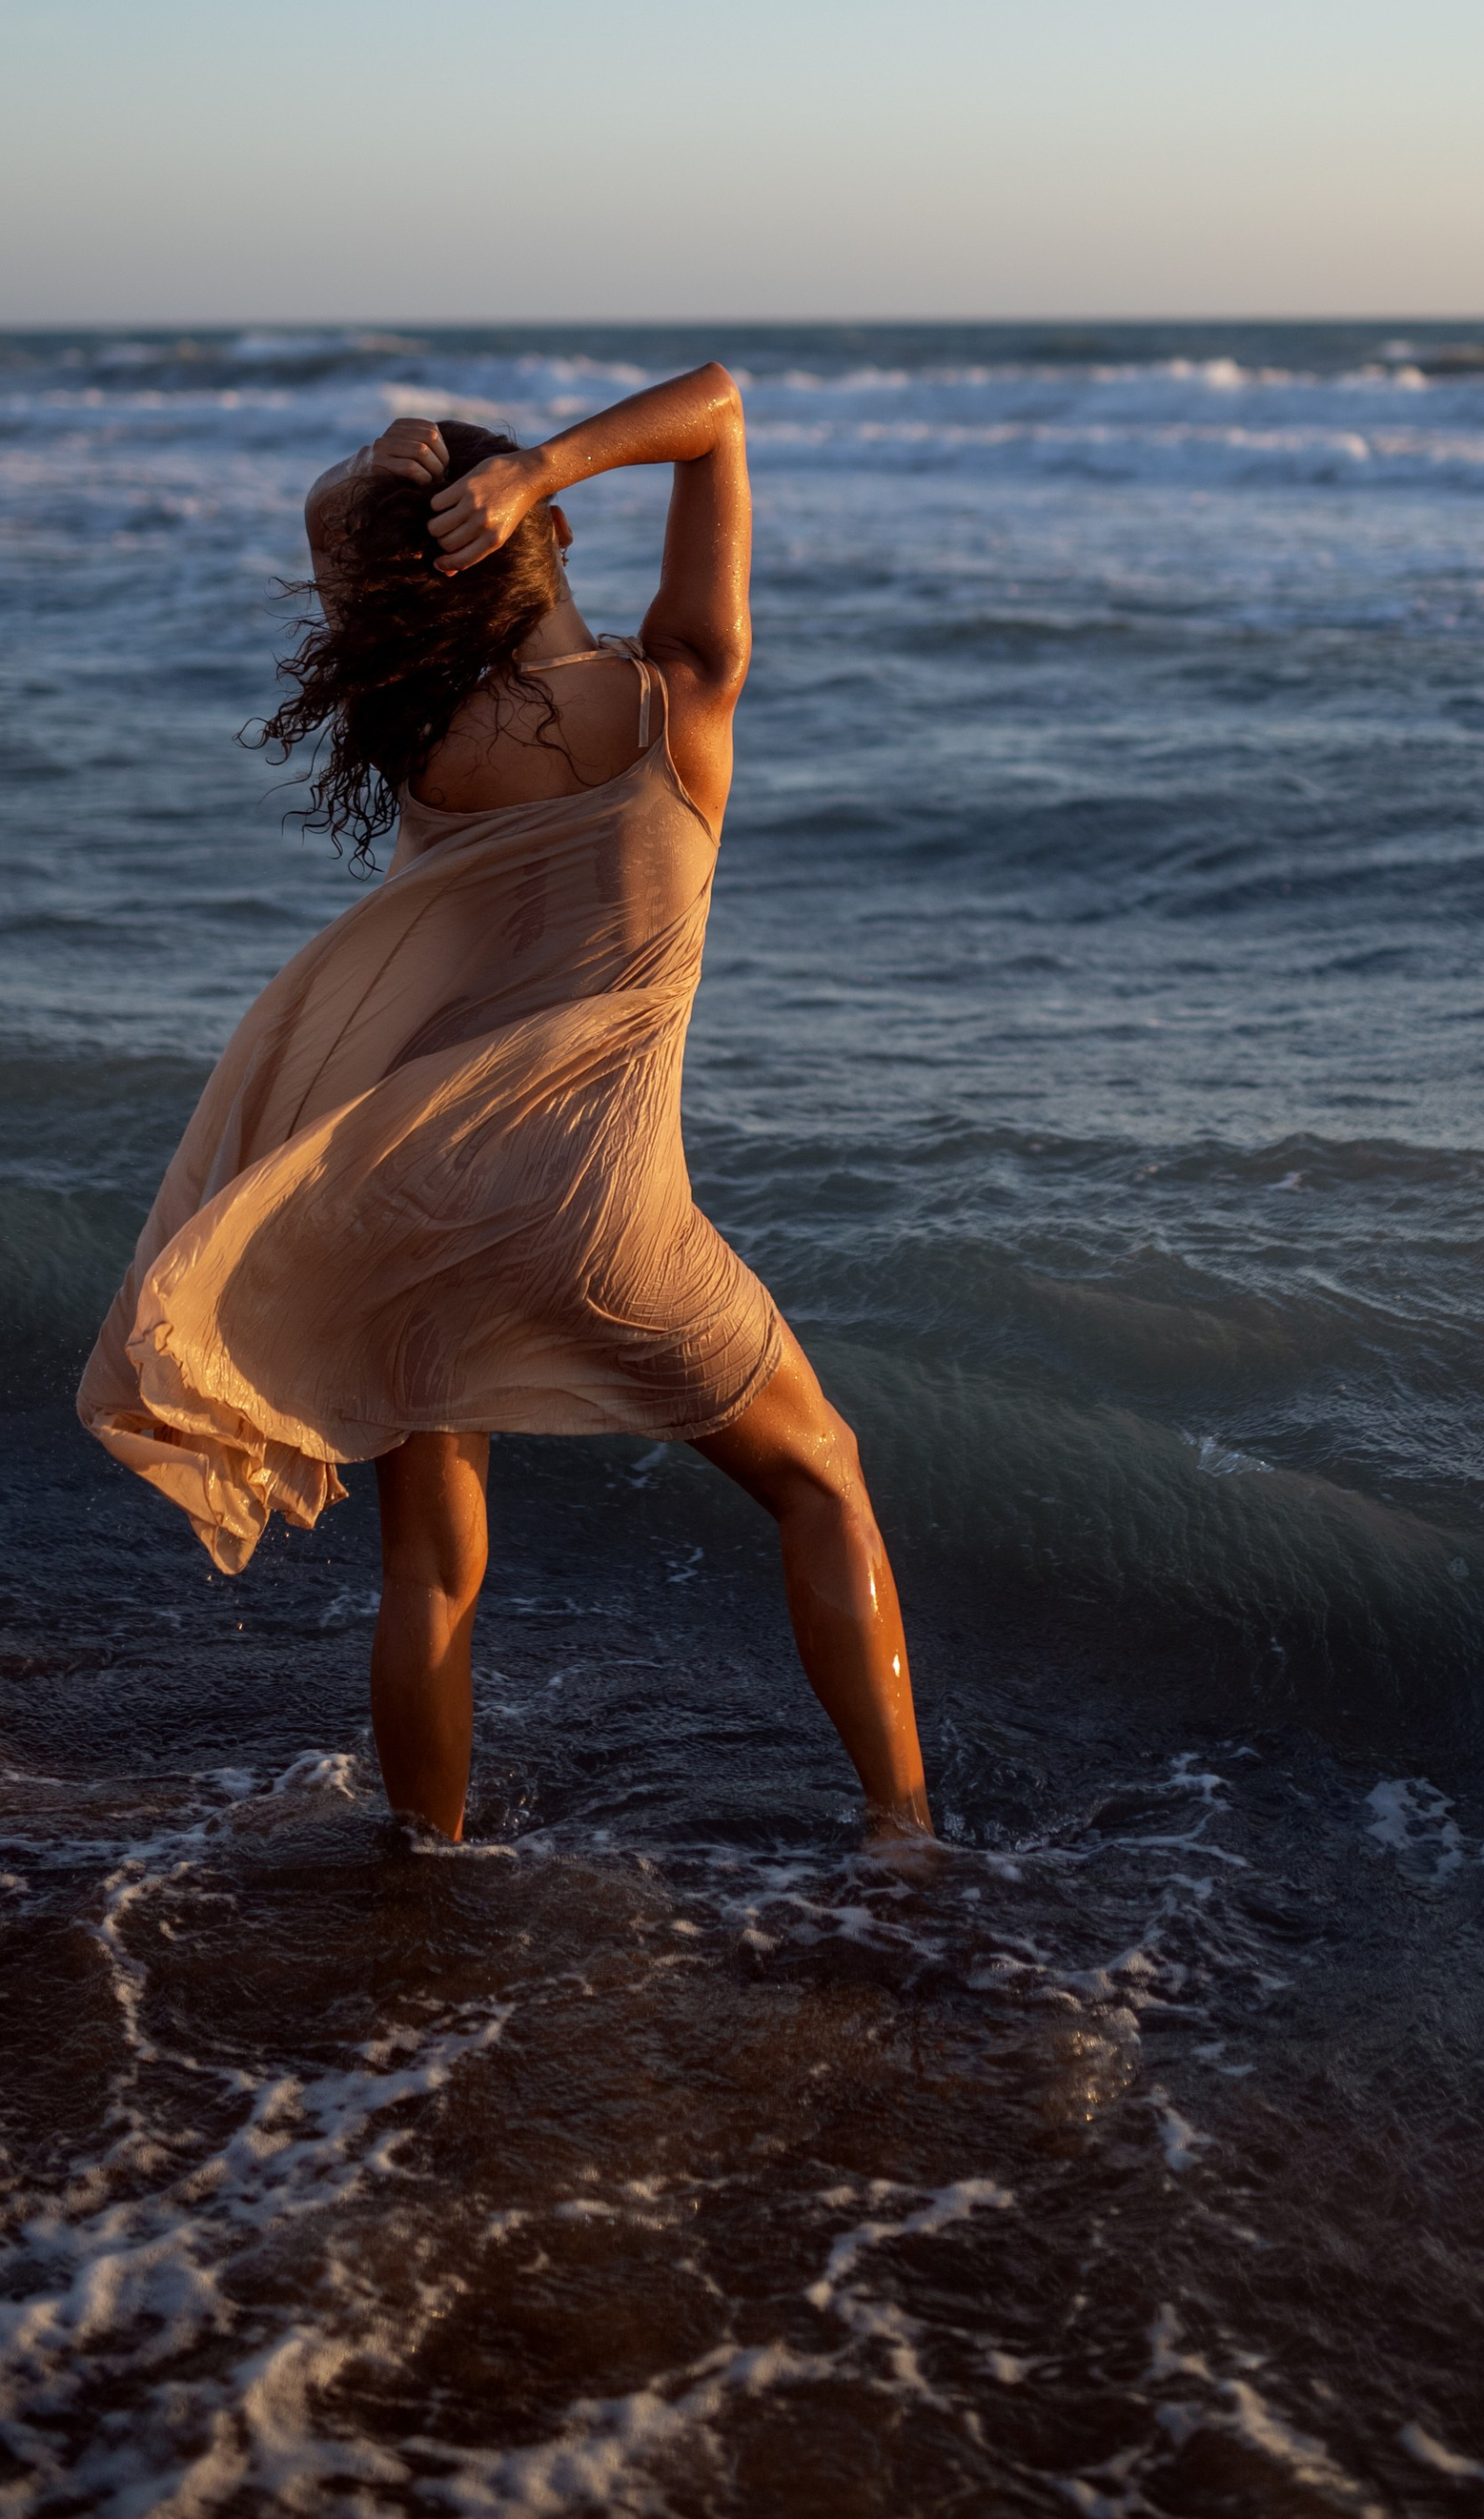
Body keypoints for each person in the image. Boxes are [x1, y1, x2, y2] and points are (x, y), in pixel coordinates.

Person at [77, 362, 930, 1848]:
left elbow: (346, 536)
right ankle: (902, 1839)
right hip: (603, 1215)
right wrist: (545, 464)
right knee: (824, 1482)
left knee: (433, 1572)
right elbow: (718, 404)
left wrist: (399, 475)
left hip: (418, 1196)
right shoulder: (680, 697)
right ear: (550, 536)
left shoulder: (419, 744)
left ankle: (429, 1865)